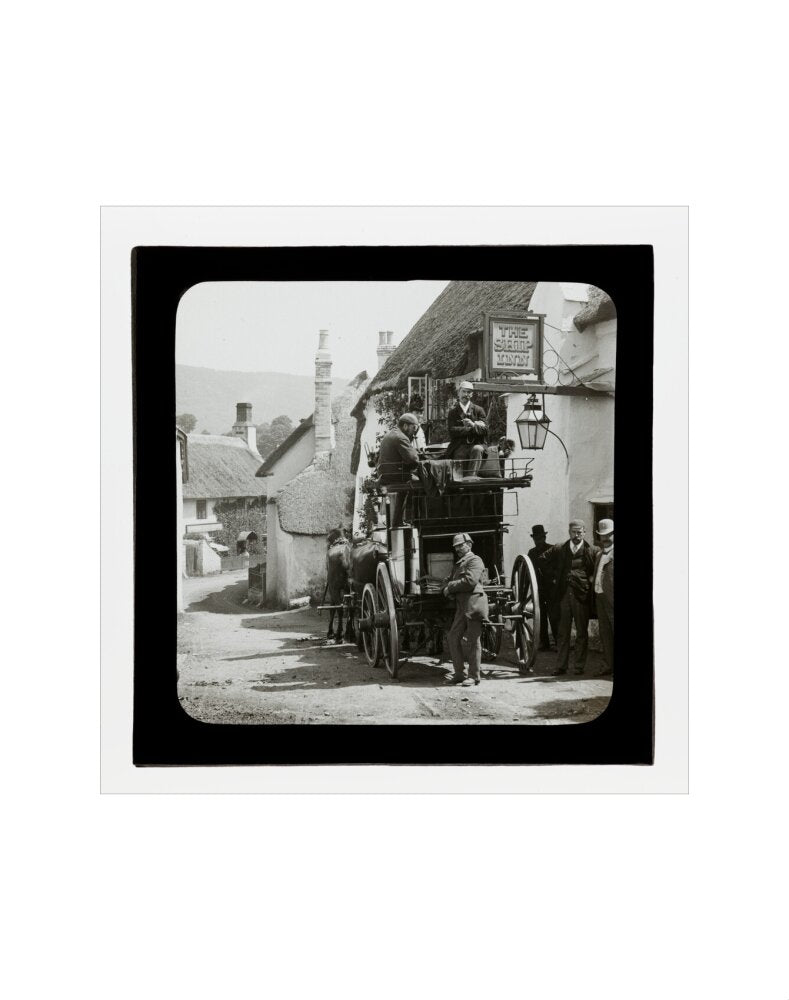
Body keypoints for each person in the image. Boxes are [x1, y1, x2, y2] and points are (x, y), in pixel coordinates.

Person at [543, 519, 597, 675]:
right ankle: (561, 666)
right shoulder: (560, 549)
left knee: (581, 632)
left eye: (579, 532)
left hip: (582, 596)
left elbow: (596, 568)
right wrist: (554, 577)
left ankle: (579, 666)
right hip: (563, 596)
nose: (576, 535)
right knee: (562, 632)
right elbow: (543, 561)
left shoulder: (592, 550)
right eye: (573, 532)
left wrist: (590, 578)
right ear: (569, 532)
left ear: (585, 532)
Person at [443, 532, 490, 687]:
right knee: (452, 637)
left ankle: (474, 676)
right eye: (456, 547)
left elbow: (470, 581)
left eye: (460, 546)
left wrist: (450, 587)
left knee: (473, 641)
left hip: (474, 604)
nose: (458, 549)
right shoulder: (459, 563)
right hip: (462, 606)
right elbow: (451, 580)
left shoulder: (475, 560)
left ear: (469, 545)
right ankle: (459, 673)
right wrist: (447, 585)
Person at [376, 413, 421, 527]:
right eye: (414, 428)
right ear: (405, 426)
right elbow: (413, 460)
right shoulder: (401, 437)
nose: (414, 433)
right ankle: (414, 519)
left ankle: (398, 521)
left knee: (410, 482)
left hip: (387, 473)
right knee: (422, 482)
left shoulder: (392, 433)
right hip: (395, 475)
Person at [443, 380, 487, 478]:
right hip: (459, 446)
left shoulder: (479, 410)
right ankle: (458, 481)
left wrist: (472, 424)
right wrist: (473, 428)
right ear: (459, 393)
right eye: (463, 391)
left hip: (475, 444)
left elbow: (486, 430)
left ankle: (471, 478)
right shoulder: (453, 412)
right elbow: (452, 431)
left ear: (472, 394)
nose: (466, 394)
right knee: (459, 454)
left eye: (468, 392)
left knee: (478, 449)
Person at [527, 524, 559, 651]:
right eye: (536, 538)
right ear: (533, 539)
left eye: (541, 538)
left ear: (544, 537)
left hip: (552, 588)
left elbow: (559, 568)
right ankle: (544, 642)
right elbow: (528, 570)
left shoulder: (552, 550)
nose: (538, 540)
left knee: (555, 616)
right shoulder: (531, 553)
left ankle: (558, 642)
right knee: (540, 616)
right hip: (538, 589)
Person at [593, 518, 614, 676]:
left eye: (609, 535)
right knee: (605, 633)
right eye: (603, 536)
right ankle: (608, 664)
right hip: (600, 598)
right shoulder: (599, 554)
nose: (606, 539)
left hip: (613, 599)